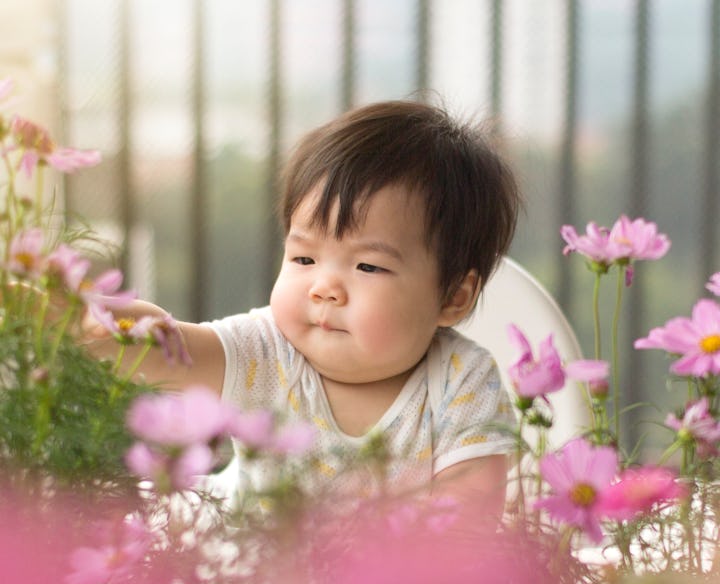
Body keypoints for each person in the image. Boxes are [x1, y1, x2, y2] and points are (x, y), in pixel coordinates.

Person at [88, 99, 521, 512]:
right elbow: (170, 346)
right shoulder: (269, 350)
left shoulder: (461, 381)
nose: (323, 287)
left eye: (368, 266)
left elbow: (466, 531)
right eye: (304, 259)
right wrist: (85, 318)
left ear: (453, 297)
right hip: (248, 578)